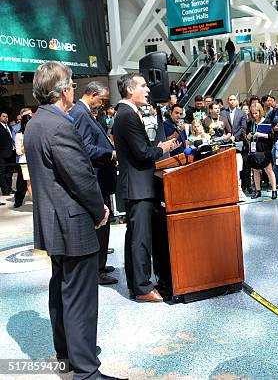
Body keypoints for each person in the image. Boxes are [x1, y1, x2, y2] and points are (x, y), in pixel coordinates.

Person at [26, 61, 123, 380]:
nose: (73, 89)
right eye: (70, 84)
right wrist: (100, 210)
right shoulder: (60, 125)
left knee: (62, 289)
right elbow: (80, 177)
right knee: (81, 296)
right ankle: (86, 370)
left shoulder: (36, 123)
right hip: (73, 222)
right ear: (64, 90)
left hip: (53, 223)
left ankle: (67, 354)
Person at [113, 73, 179, 303]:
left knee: (136, 238)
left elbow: (139, 148)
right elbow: (142, 153)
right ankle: (142, 287)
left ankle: (137, 284)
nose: (148, 90)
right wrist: (161, 148)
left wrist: (157, 146)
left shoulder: (127, 114)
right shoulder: (128, 116)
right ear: (130, 90)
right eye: (143, 86)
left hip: (137, 186)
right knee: (140, 239)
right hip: (138, 187)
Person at [69, 81, 118, 286]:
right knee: (101, 223)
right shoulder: (80, 113)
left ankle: (100, 263)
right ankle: (97, 269)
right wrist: (110, 153)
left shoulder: (86, 112)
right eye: (102, 99)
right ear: (92, 94)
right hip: (96, 178)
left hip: (101, 178)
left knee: (104, 225)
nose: (102, 103)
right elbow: (85, 148)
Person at [246, 103, 277, 199]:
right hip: (254, 148)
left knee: (268, 169)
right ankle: (258, 190)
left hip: (264, 148)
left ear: (260, 112)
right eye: (253, 113)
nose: (255, 115)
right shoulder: (250, 123)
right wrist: (249, 136)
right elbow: (247, 136)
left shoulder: (266, 121)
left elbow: (272, 136)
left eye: (256, 113)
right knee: (255, 170)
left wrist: (261, 134)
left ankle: (274, 190)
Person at [13, 114, 32, 208]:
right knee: (23, 184)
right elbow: (18, 151)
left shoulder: (34, 133)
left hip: (34, 160)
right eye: (27, 124)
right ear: (24, 124)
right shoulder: (19, 135)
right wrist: (26, 144)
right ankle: (18, 201)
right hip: (24, 162)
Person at [0, 111, 15, 197]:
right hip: (2, 154)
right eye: (4, 116)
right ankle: (5, 190)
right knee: (2, 172)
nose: (6, 118)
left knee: (10, 173)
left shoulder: (9, 127)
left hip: (11, 153)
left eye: (7, 117)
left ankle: (9, 188)